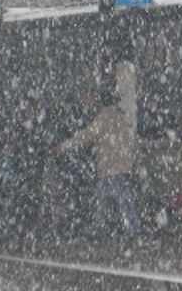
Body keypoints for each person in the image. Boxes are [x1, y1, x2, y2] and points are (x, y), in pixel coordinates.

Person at [54, 91, 140, 237]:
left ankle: (109, 229)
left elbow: (86, 136)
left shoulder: (103, 119)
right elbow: (132, 141)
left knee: (109, 200)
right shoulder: (123, 118)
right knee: (118, 199)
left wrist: (64, 146)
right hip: (121, 166)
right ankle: (107, 228)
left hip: (109, 167)